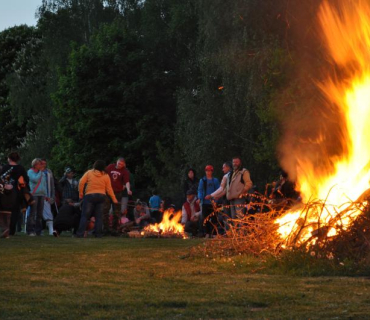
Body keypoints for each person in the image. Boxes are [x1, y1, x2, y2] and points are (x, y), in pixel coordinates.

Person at [76, 160, 118, 238]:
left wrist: (81, 194)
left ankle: (80, 234)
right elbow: (109, 189)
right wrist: (114, 199)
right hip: (101, 196)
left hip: (90, 195)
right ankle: (98, 234)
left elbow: (81, 182)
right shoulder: (106, 175)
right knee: (99, 217)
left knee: (85, 216)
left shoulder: (89, 173)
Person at [0, 151, 30, 235]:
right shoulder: (21, 168)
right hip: (17, 191)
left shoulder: (5, 167)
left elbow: (1, 179)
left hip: (6, 192)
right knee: (15, 211)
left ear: (9, 158)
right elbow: (26, 180)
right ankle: (12, 230)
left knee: (5, 210)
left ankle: (6, 228)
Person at [104, 157, 132, 234]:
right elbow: (103, 174)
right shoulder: (110, 167)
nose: (120, 165)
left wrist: (128, 189)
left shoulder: (124, 171)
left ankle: (114, 229)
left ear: (124, 165)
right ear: (117, 162)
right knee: (105, 210)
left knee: (116, 211)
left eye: (122, 164)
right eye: (119, 163)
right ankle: (105, 228)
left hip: (117, 193)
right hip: (108, 192)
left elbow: (127, 182)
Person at [205, 161, 232, 229]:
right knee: (232, 215)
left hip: (227, 199)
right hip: (232, 198)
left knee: (227, 215)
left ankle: (228, 231)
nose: (222, 169)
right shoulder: (233, 175)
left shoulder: (226, 176)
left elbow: (221, 189)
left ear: (228, 167)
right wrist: (217, 196)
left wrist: (211, 195)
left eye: (224, 168)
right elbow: (225, 190)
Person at [197, 165, 220, 237]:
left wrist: (216, 198)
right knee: (206, 218)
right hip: (205, 202)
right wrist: (200, 198)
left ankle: (214, 233)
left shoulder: (215, 180)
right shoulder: (202, 180)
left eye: (209, 171)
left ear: (212, 171)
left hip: (213, 202)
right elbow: (200, 190)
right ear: (205, 171)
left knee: (214, 218)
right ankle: (207, 233)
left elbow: (218, 190)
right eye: (207, 171)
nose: (208, 172)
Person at [27, 158, 47, 236]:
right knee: (32, 213)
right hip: (34, 194)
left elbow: (44, 184)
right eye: (40, 164)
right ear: (35, 165)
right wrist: (40, 173)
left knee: (40, 213)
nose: (41, 166)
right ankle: (30, 230)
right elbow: (35, 179)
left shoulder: (42, 173)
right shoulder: (30, 172)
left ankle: (38, 230)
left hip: (41, 194)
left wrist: (46, 194)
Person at [40, 159, 56, 235]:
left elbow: (52, 184)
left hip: (47, 194)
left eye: (45, 163)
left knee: (48, 211)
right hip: (37, 193)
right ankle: (39, 230)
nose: (44, 165)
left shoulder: (48, 171)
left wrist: (53, 195)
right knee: (38, 211)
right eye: (42, 163)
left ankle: (50, 230)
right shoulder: (35, 171)